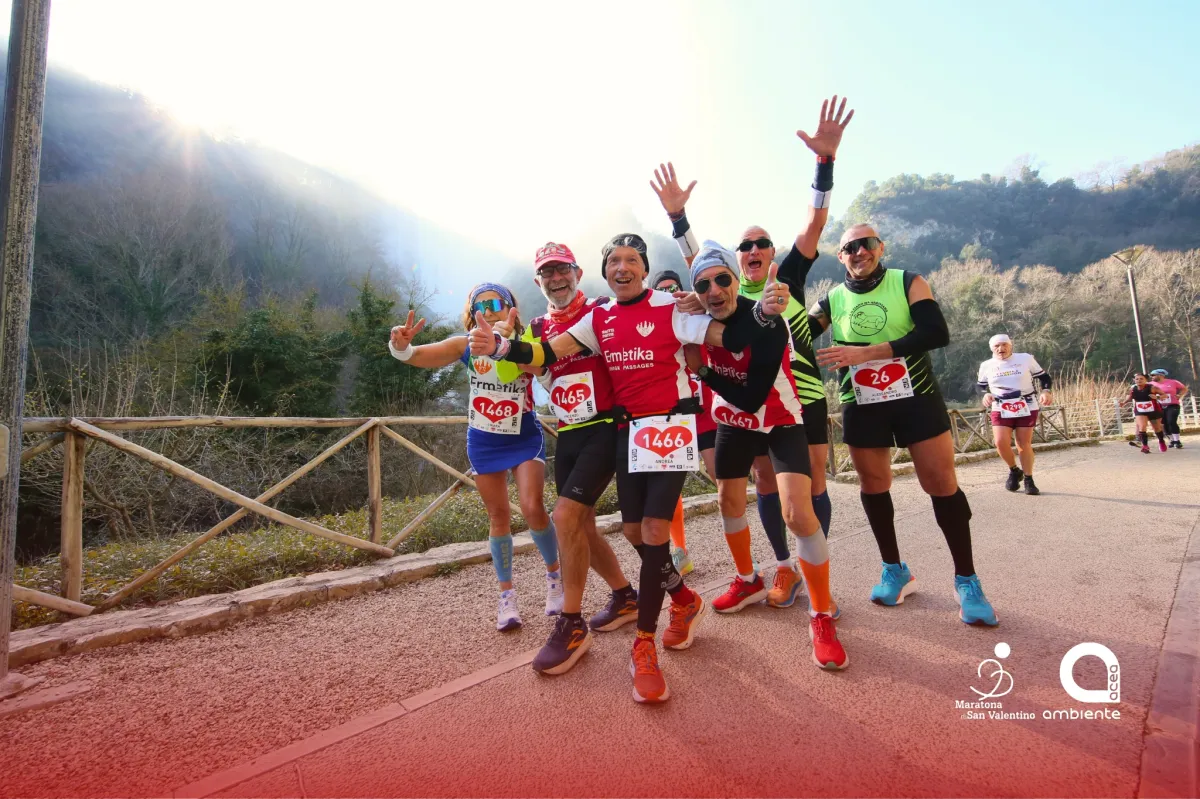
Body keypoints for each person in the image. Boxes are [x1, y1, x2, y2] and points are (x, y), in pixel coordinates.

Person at [470, 232, 788, 703]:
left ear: (643, 267)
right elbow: (545, 354)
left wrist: (762, 311)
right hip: (629, 432)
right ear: (605, 272)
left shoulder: (671, 307)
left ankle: (644, 647)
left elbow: (730, 334)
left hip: (673, 427)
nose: (622, 267)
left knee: (656, 532)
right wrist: (499, 347)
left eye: (631, 260)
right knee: (635, 532)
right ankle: (684, 599)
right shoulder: (599, 317)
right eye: (614, 260)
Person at [654, 94, 853, 611]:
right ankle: (781, 568)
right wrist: (679, 218)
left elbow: (813, 226)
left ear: (770, 250)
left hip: (796, 391)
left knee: (808, 487)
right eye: (745, 246)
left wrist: (823, 163)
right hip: (741, 398)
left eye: (761, 242)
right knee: (761, 483)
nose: (753, 250)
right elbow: (701, 263)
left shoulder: (787, 276)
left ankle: (812, 576)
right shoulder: (724, 290)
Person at [809, 226, 999, 626]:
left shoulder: (908, 281)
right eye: (849, 247)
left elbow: (935, 332)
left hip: (916, 397)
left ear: (881, 247)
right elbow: (795, 334)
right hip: (861, 403)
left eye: (867, 243)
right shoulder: (831, 300)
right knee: (873, 487)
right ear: (839, 256)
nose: (860, 251)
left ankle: (967, 580)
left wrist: (869, 353)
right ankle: (895, 570)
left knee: (942, 485)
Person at [683, 242, 849, 669]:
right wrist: (679, 222)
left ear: (738, 283)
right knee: (728, 502)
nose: (714, 289)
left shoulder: (769, 322)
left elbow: (753, 395)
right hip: (731, 424)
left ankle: (821, 612)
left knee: (797, 513)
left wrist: (701, 369)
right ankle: (747, 580)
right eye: (703, 285)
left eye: (723, 279)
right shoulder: (695, 317)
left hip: (776, 418)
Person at [388, 283, 561, 633]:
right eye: (481, 306)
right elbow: (419, 356)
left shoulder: (528, 341)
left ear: (511, 308)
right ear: (471, 314)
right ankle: (507, 598)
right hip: (484, 439)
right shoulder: (464, 345)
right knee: (498, 516)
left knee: (532, 507)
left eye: (498, 303)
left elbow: (545, 375)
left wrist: (511, 347)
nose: (491, 310)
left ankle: (555, 577)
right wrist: (400, 345)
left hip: (524, 435)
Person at [521, 242, 641, 675]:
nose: (556, 279)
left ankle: (572, 624)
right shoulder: (535, 327)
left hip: (607, 428)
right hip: (567, 431)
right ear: (539, 282)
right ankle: (626, 596)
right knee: (583, 526)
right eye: (547, 273)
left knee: (565, 518)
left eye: (562, 270)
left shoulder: (604, 310)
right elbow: (528, 370)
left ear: (577, 272)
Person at [650, 269, 716, 578]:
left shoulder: (701, 316)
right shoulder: (652, 327)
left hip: (705, 415)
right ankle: (680, 551)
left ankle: (743, 552)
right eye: (663, 290)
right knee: (670, 492)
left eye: (675, 287)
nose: (671, 293)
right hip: (673, 416)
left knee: (725, 482)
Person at [976, 334, 1053, 495]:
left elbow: (1044, 377)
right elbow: (980, 386)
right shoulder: (987, 365)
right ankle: (1013, 470)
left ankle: (1028, 479)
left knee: (1023, 444)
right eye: (996, 346)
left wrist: (1046, 391)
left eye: (1004, 345)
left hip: (1026, 404)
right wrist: (985, 394)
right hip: (1000, 405)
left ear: (1011, 346)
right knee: (1000, 442)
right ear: (991, 348)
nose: (1001, 349)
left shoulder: (1025, 359)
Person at [1123, 374, 1169, 453]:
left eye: (1141, 379)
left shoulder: (1152, 388)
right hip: (1140, 410)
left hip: (1153, 410)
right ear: (1134, 380)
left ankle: (1161, 441)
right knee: (1142, 426)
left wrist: (1157, 397)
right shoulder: (1133, 389)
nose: (1139, 380)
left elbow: (1165, 396)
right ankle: (1145, 445)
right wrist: (1124, 403)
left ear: (1146, 380)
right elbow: (1129, 397)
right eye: (1137, 379)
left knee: (1157, 428)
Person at [1149, 368, 1189, 448]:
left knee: (1171, 421)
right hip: (1159, 406)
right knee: (1164, 424)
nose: (1151, 377)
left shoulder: (1173, 382)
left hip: (1172, 405)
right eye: (1151, 375)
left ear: (1160, 375)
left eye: (1153, 375)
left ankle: (1177, 440)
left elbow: (1184, 388)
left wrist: (1179, 395)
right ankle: (1171, 440)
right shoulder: (1150, 384)